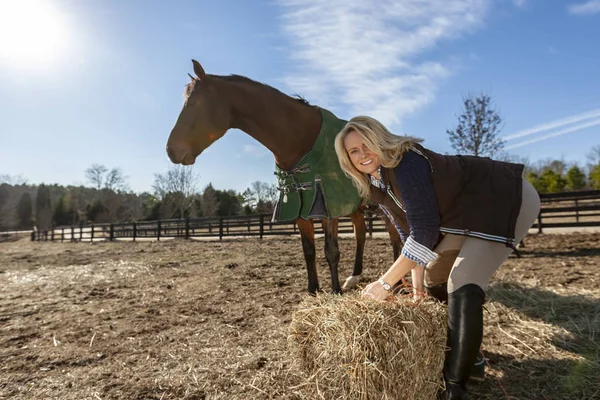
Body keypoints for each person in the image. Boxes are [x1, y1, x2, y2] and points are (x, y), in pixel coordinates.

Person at [334, 116, 540, 400]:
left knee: (462, 280)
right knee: (435, 275)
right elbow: (410, 236)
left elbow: (425, 232)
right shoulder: (376, 186)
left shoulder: (405, 163)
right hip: (465, 215)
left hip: (505, 198)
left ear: (379, 140)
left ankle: (455, 387)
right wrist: (417, 290)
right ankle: (471, 359)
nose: (362, 154)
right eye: (353, 151)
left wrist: (384, 284)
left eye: (365, 145)